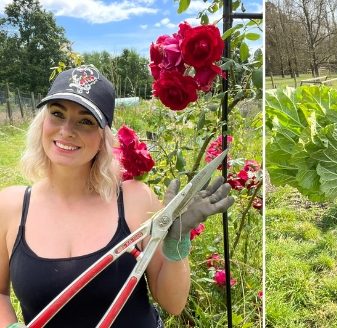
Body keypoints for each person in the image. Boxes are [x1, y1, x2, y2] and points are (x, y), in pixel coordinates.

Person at [0, 65, 234, 327]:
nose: (67, 130)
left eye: (86, 120)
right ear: (42, 122)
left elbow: (174, 303)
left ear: (103, 137)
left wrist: (176, 243)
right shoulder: (10, 206)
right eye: (57, 114)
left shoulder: (134, 199)